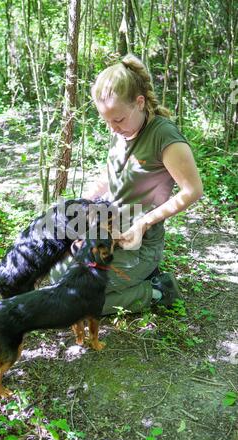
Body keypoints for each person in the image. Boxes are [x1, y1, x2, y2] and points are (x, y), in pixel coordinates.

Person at [51, 54, 203, 314]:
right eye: (106, 121)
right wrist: (83, 208)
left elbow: (193, 191)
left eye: (118, 120)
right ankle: (131, 278)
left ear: (139, 103)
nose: (112, 128)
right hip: (112, 231)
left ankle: (156, 291)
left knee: (75, 300)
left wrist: (143, 223)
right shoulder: (121, 131)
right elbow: (109, 177)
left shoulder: (164, 136)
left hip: (141, 242)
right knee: (56, 274)